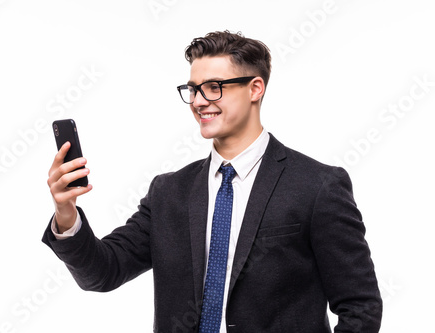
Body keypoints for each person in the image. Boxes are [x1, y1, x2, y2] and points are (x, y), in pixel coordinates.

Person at [42, 31, 382, 333]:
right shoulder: (169, 192)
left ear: (255, 88)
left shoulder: (317, 186)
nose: (200, 101)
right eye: (192, 90)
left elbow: (360, 307)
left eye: (214, 87)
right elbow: (103, 272)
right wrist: (66, 213)